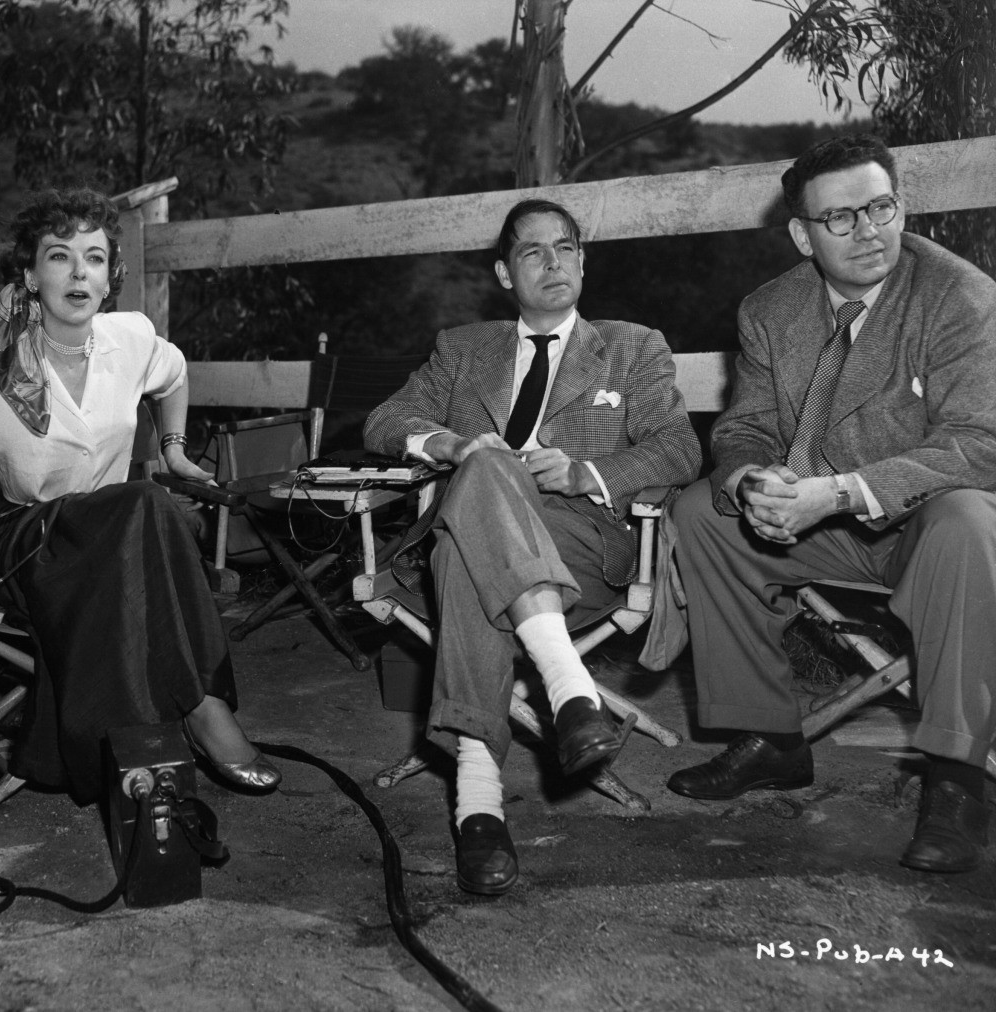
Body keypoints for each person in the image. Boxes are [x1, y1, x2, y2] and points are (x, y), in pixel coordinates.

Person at [0, 187, 281, 804]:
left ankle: (168, 724)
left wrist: (175, 448)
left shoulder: (130, 338)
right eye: (60, 256)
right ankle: (202, 704)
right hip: (30, 545)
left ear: (111, 279)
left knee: (144, 509)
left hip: (122, 540)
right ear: (30, 275)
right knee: (147, 507)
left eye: (95, 258)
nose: (79, 272)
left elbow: (175, 372)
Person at [669, 134, 996, 873]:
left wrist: (839, 492)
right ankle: (773, 739)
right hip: (828, 521)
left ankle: (956, 777)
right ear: (801, 234)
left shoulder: (961, 297)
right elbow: (745, 427)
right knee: (702, 511)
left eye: (881, 207)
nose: (869, 231)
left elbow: (981, 442)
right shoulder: (768, 309)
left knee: (965, 520)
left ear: (901, 206)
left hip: (938, 525)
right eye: (841, 217)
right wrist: (752, 479)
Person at [364, 198, 701, 895]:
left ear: (583, 260)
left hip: (580, 544)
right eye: (533, 253)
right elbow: (384, 419)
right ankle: (568, 690)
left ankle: (477, 803)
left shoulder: (633, 346)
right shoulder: (462, 350)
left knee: (462, 554)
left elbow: (679, 448)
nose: (554, 264)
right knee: (481, 485)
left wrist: (589, 473)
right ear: (503, 273)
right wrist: (454, 444)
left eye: (567, 248)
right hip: (479, 538)